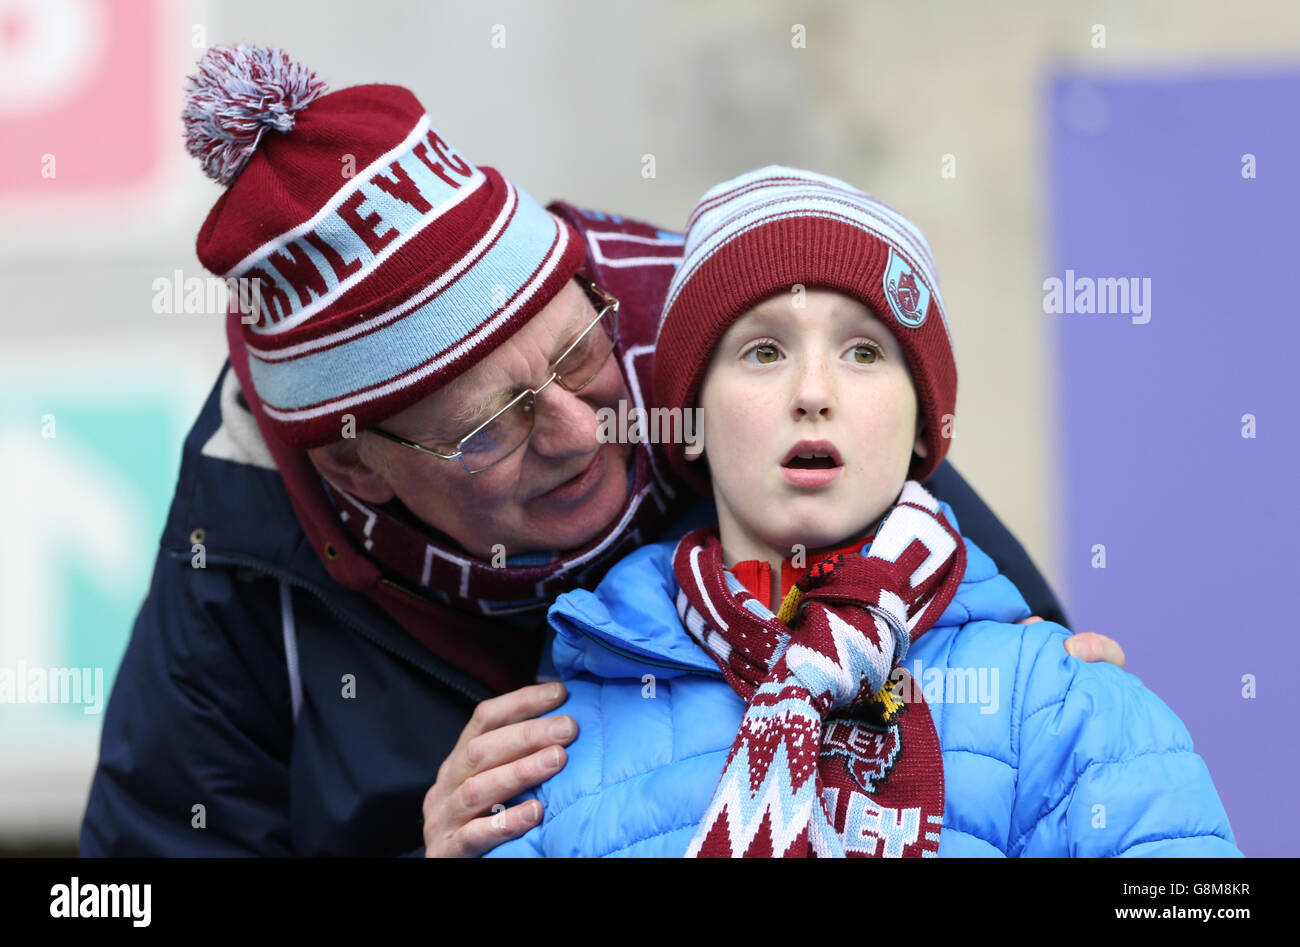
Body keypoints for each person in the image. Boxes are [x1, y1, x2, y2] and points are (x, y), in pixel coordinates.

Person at [80, 47, 1121, 858]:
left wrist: (1061, 722)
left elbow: (1048, 721)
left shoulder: (733, 356)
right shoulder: (250, 528)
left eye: (576, 354)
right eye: (492, 424)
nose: (584, 430)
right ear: (357, 467)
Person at [485, 167, 1240, 857]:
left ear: (921, 427)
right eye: (763, 352)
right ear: (695, 418)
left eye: (864, 352)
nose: (813, 391)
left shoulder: (1056, 696)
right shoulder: (555, 738)